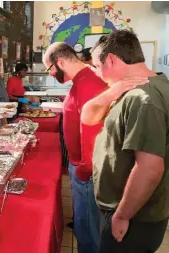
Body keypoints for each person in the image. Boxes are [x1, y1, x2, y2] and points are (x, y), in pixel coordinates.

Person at [82, 30, 169, 253]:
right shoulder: (132, 88)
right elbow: (88, 117)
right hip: (127, 209)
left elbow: (149, 168)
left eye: (98, 67)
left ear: (111, 59)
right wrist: (113, 91)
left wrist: (122, 215)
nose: (98, 74)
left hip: (133, 215)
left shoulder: (143, 99)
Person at [43, 42, 108, 253]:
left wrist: (83, 168)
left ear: (60, 61)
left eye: (50, 68)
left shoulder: (88, 82)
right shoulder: (80, 80)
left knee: (88, 227)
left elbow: (92, 131)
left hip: (85, 168)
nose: (51, 73)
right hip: (79, 164)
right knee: (84, 222)